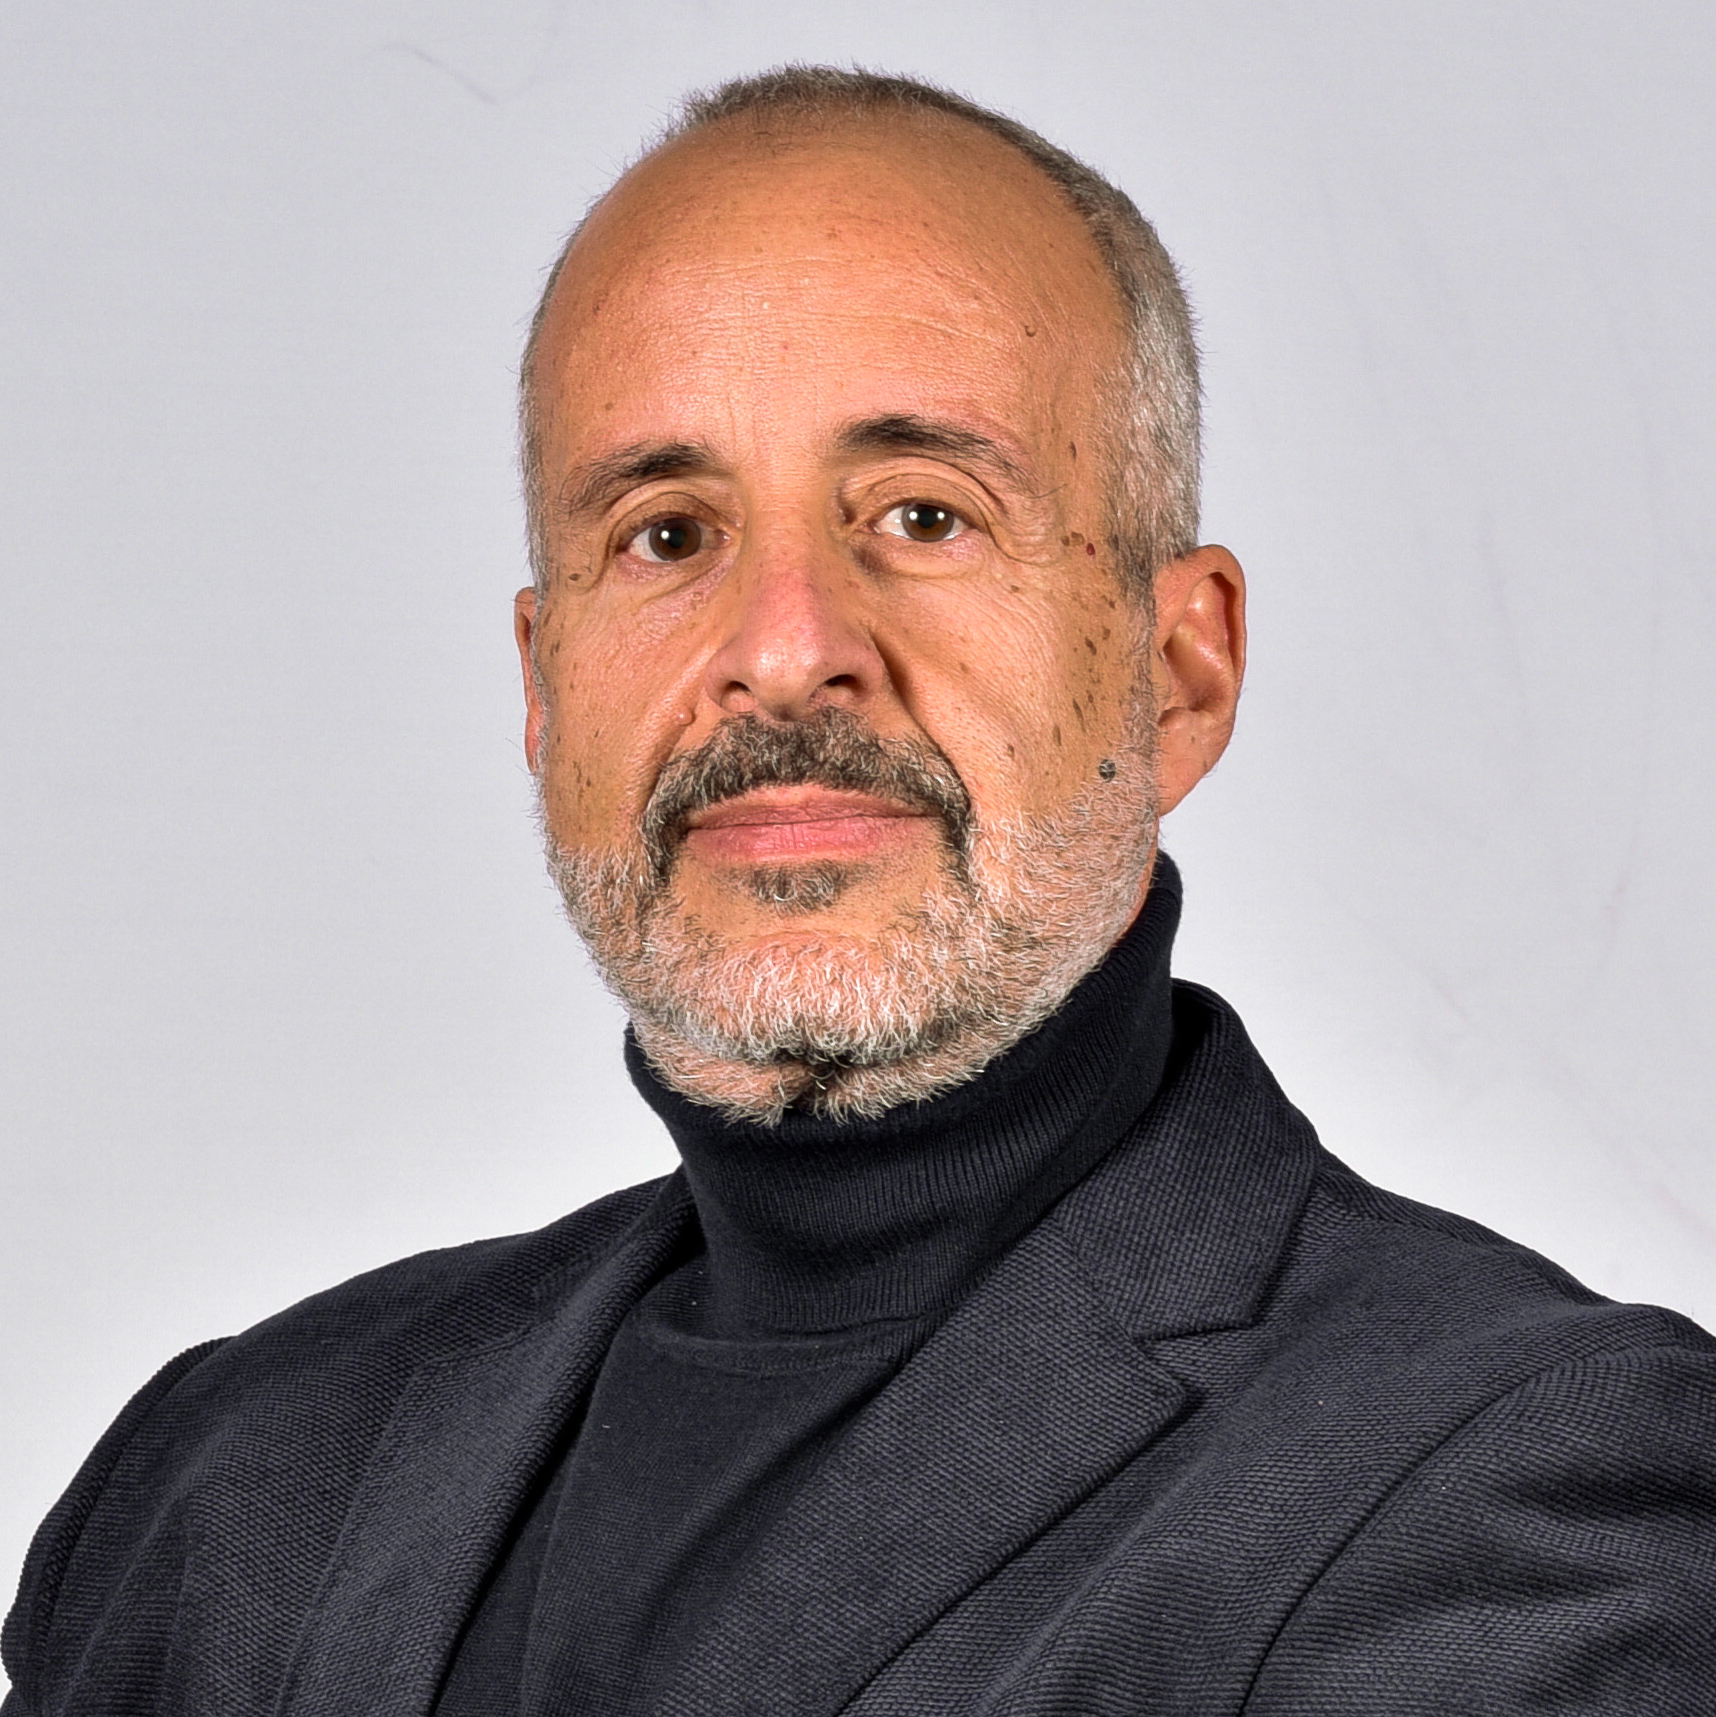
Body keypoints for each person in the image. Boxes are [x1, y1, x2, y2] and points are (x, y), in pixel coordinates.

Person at [5, 66, 1714, 1717]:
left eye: (922, 513)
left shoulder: (1525, 1484)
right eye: (667, 533)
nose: (784, 649)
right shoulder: (221, 1479)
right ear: (543, 686)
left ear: (1178, 671)